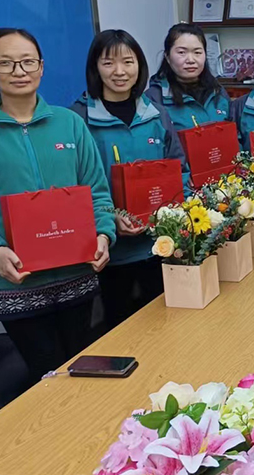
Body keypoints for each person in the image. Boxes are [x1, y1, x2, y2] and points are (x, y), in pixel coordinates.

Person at [0, 28, 115, 383]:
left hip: (77, 276)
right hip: (16, 283)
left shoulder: (70, 123)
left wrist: (104, 235)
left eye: (28, 61)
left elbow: (97, 192)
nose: (19, 71)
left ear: (41, 67)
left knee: (84, 372)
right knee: (44, 378)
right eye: (5, 63)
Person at [71, 29, 188, 331]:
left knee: (167, 327)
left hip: (158, 246)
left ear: (140, 65)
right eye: (108, 63)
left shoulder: (156, 114)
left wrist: (171, 215)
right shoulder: (78, 120)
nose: (120, 71)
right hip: (109, 256)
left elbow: (179, 169)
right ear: (95, 67)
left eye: (128, 61)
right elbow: (73, 187)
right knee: (120, 332)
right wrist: (108, 219)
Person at [146, 23, 231, 131]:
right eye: (182, 52)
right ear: (167, 57)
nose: (191, 60)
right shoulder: (154, 97)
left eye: (197, 52)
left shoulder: (217, 91)